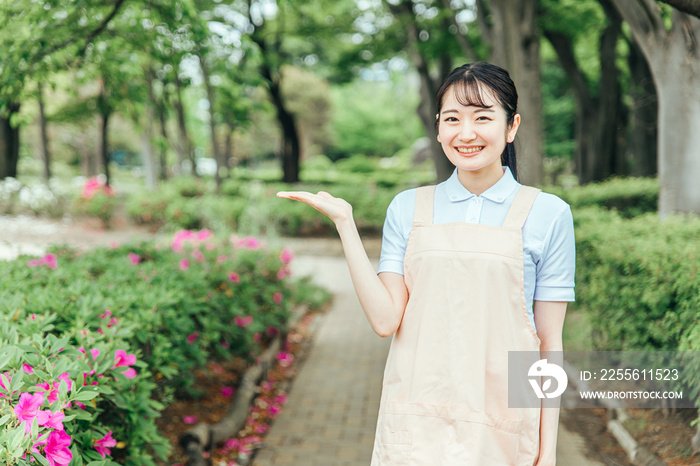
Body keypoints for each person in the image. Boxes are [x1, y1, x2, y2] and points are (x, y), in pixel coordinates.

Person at [277, 62, 575, 466]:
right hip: (416, 427)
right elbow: (385, 321)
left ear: (511, 126)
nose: (465, 133)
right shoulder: (407, 208)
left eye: (482, 118)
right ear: (438, 128)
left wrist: (548, 449)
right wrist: (345, 224)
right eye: (452, 118)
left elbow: (546, 345)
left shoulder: (548, 214)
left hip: (503, 429)